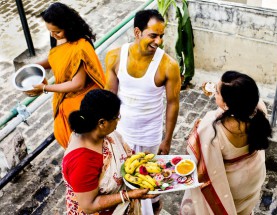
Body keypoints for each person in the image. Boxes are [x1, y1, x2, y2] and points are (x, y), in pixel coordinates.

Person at [105, 9, 181, 214]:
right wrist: (106, 134)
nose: (158, 41)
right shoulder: (114, 57)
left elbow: (173, 103)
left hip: (150, 135)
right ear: (137, 32)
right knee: (124, 181)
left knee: (151, 185)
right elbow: (109, 98)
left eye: (162, 36)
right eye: (153, 35)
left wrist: (167, 140)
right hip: (121, 133)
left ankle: (154, 210)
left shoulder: (168, 66)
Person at [181, 71, 272, 215]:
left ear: (227, 104)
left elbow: (197, 160)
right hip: (253, 178)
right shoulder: (258, 108)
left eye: (217, 92)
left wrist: (198, 131)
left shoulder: (212, 127)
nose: (214, 93)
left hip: (230, 187)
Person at [63, 89, 157, 214]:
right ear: (102, 123)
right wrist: (130, 195)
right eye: (116, 117)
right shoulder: (82, 162)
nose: (118, 120)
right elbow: (88, 206)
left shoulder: (95, 131)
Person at [29, 2, 106, 149]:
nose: (53, 35)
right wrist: (37, 66)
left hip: (80, 104)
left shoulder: (80, 48)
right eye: (50, 31)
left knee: (85, 145)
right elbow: (55, 57)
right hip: (64, 96)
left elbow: (78, 84)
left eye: (57, 32)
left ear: (68, 26)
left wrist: (45, 88)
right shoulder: (57, 37)